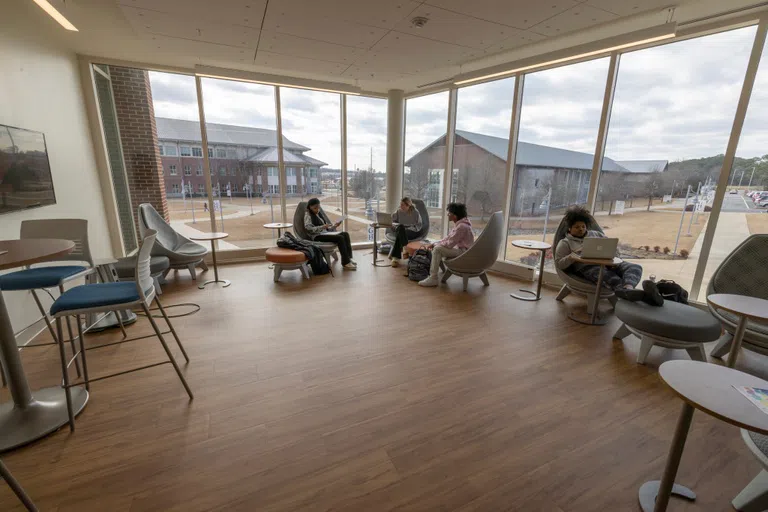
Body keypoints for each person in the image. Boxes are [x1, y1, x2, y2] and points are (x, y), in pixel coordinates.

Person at [554, 205, 660, 303]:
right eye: (577, 227)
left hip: (609, 262)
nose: (581, 229)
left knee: (635, 267)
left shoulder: (596, 234)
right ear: (569, 228)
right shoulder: (565, 243)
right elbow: (559, 264)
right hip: (587, 267)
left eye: (583, 226)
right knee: (612, 278)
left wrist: (614, 257)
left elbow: (613, 248)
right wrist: (571, 257)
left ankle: (629, 289)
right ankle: (643, 298)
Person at [418, 203, 474, 287]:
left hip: (463, 252)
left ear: (455, 215)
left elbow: (450, 244)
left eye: (449, 213)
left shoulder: (462, 227)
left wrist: (435, 245)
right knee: (437, 246)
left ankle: (433, 278)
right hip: (459, 248)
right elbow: (448, 238)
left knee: (437, 249)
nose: (448, 215)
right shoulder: (460, 224)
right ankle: (433, 275)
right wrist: (434, 243)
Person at [304, 197, 357, 270]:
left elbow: (326, 228)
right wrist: (322, 227)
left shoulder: (318, 214)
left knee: (345, 234)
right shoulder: (308, 216)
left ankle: (349, 258)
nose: (317, 210)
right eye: (315, 208)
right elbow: (309, 229)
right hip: (317, 236)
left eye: (318, 207)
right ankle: (345, 263)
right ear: (310, 207)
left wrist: (334, 226)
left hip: (324, 233)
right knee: (340, 238)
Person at [388, 197, 423, 267]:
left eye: (402, 205)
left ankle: (395, 258)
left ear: (408, 205)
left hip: (412, 231)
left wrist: (409, 228)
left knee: (400, 234)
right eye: (400, 204)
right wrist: (392, 224)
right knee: (401, 228)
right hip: (401, 229)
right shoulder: (398, 211)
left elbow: (419, 225)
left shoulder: (415, 212)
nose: (400, 206)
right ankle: (405, 248)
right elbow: (392, 220)